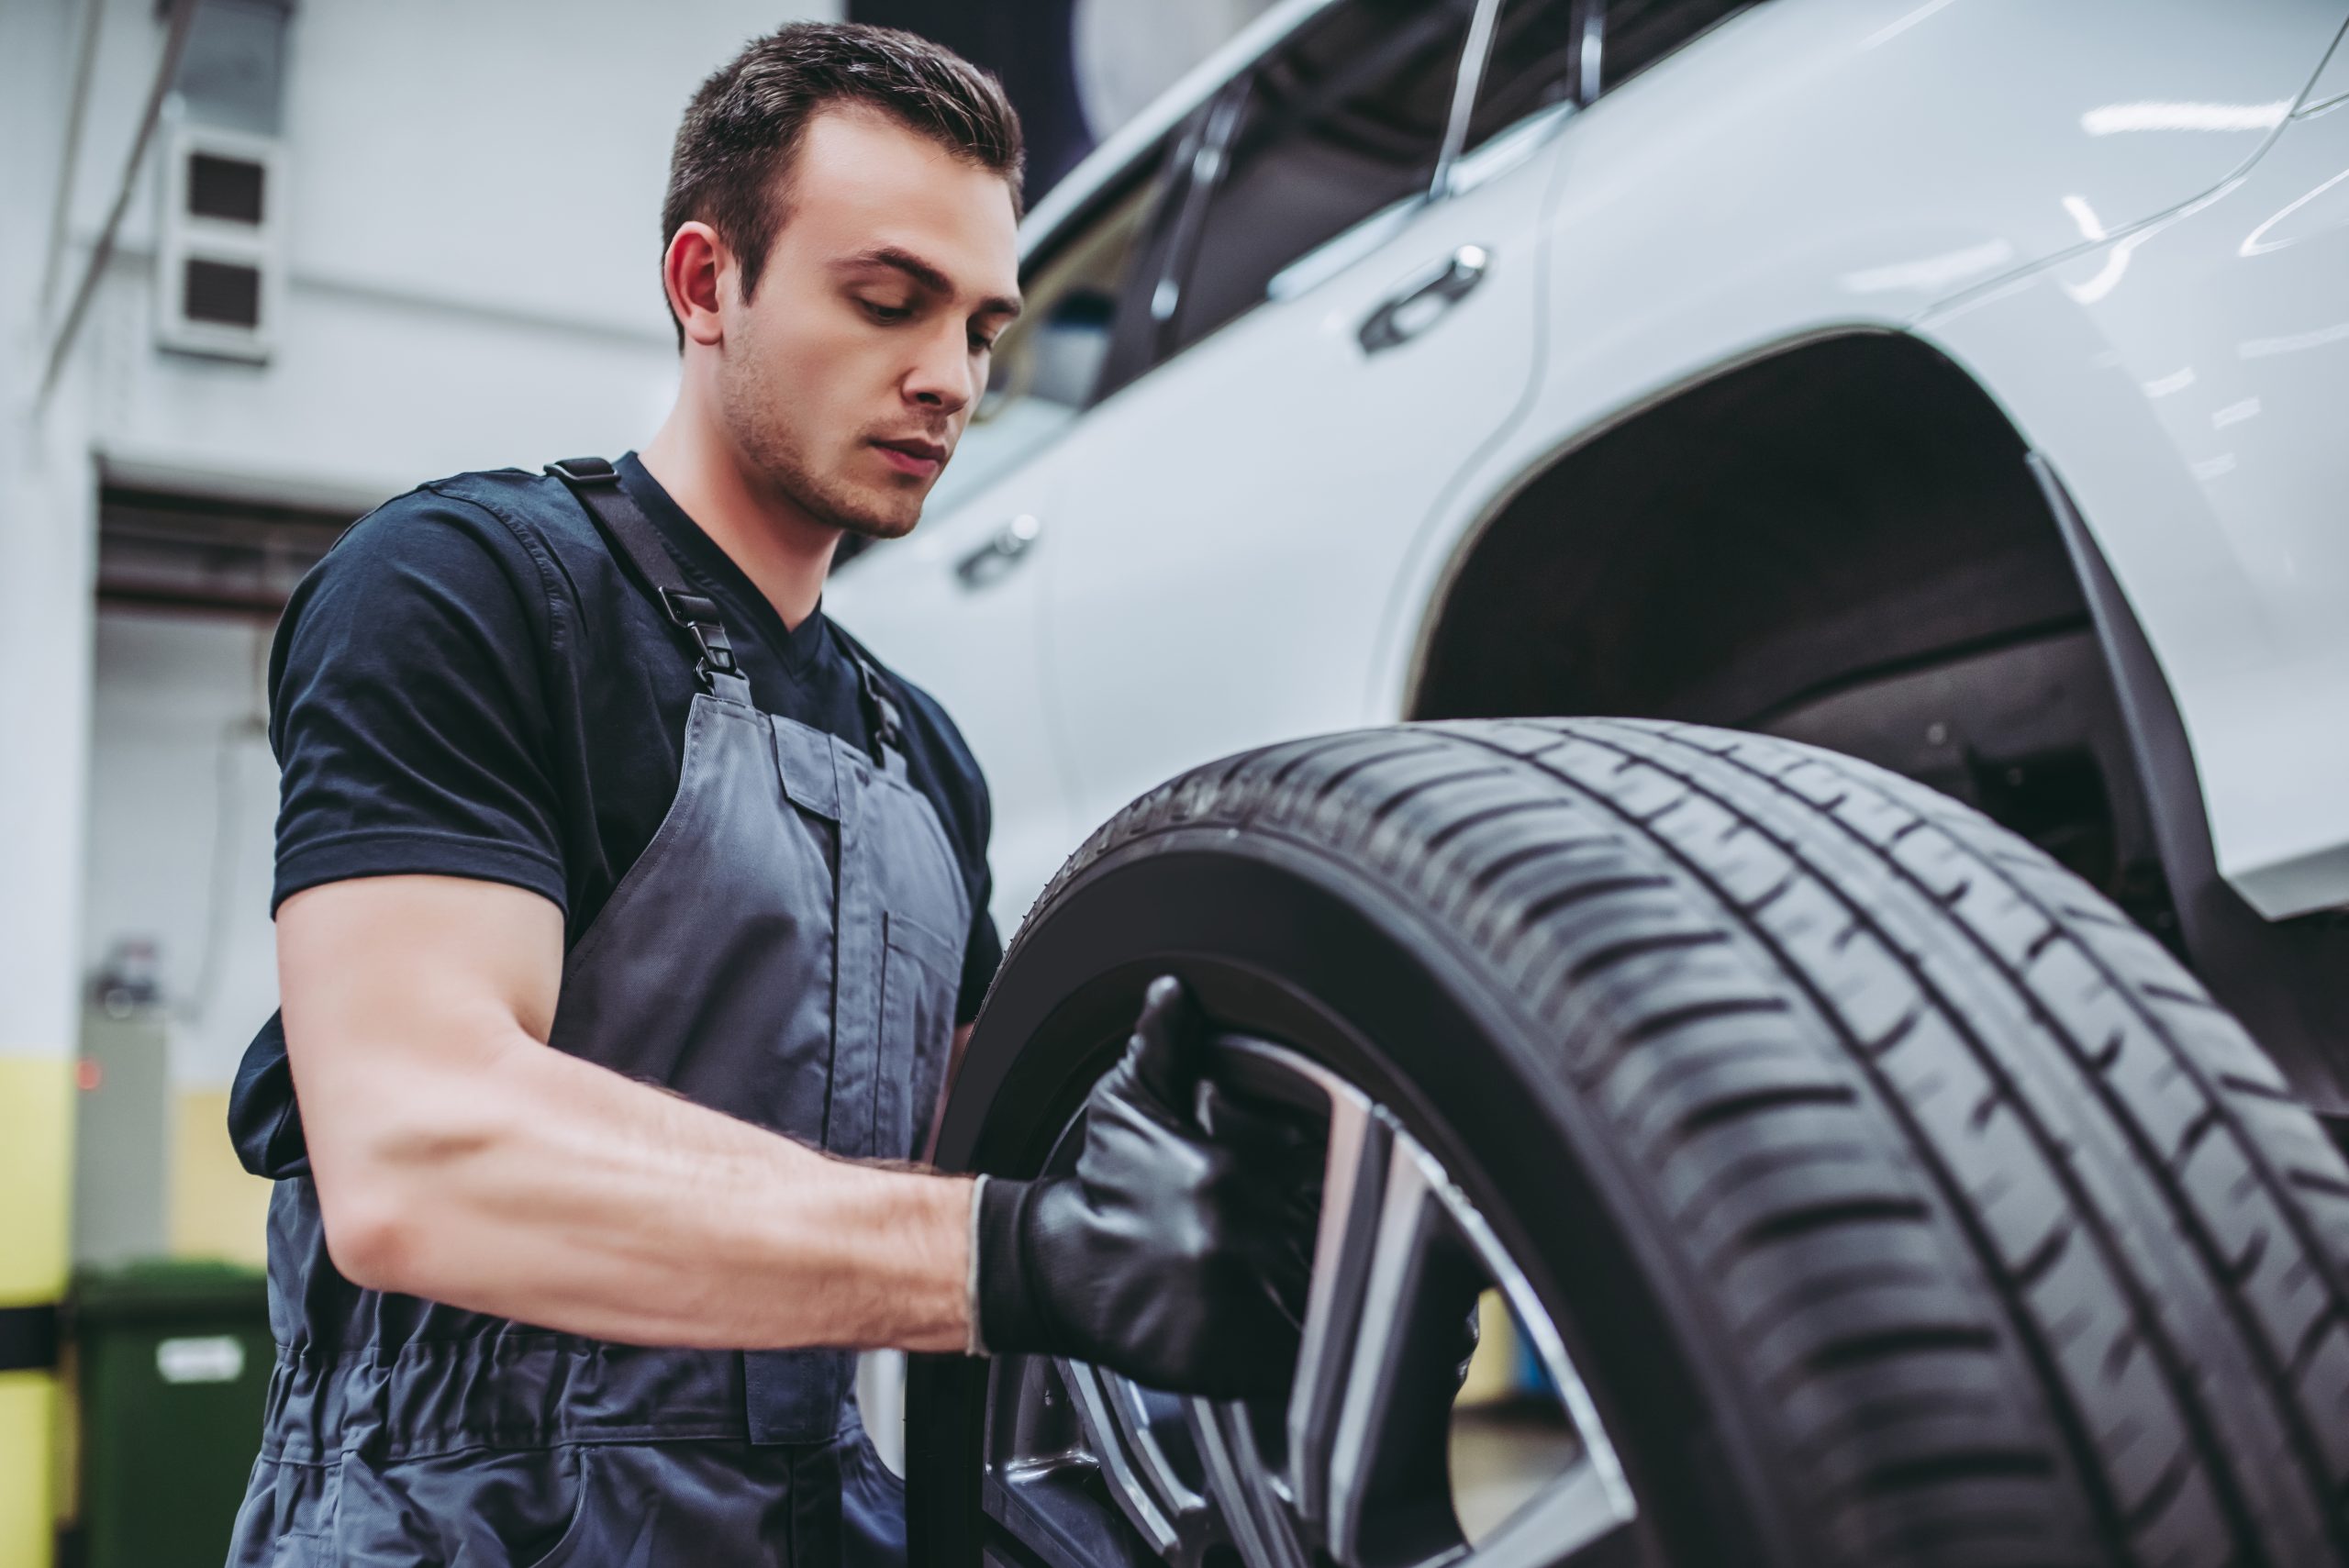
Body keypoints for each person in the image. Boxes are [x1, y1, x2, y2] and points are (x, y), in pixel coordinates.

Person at [221, 24, 1316, 1566]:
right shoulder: (472, 594)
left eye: (985, 328)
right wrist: (1001, 1252)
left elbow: (978, 1163)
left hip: (808, 1520)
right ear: (703, 285)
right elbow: (417, 1154)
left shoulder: (918, 754)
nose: (948, 379)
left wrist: (1260, 1231)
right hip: (457, 1523)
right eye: (886, 301)